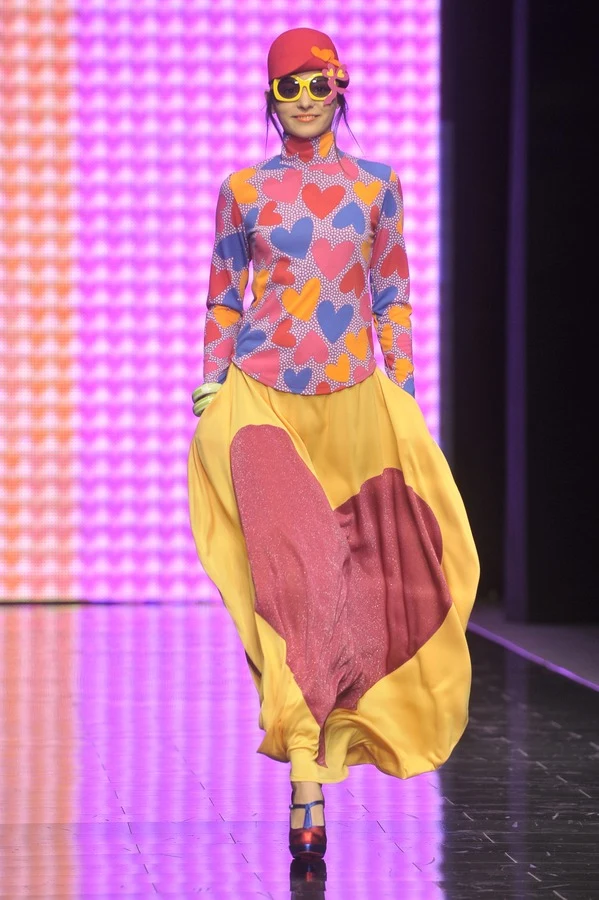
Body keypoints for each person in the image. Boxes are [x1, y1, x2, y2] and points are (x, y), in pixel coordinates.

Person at [187, 27, 480, 862]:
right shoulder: (243, 190)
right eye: (290, 87)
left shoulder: (376, 186)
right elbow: (224, 296)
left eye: (319, 84)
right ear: (270, 97)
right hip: (261, 404)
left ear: (341, 88)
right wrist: (209, 383)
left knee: (375, 580)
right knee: (294, 590)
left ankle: (326, 747)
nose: (306, 100)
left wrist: (404, 393)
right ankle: (306, 780)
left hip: (354, 405)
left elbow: (391, 290)